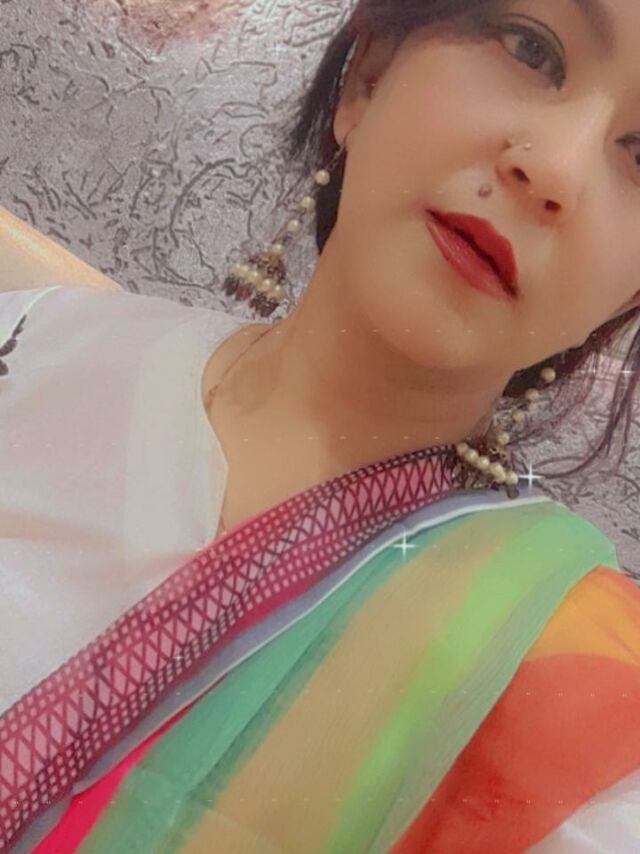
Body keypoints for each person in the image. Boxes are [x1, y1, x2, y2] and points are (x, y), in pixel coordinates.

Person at [1, 0, 640, 850]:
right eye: (531, 48)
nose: (553, 167)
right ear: (368, 76)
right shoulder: (32, 350)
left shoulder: (587, 719)